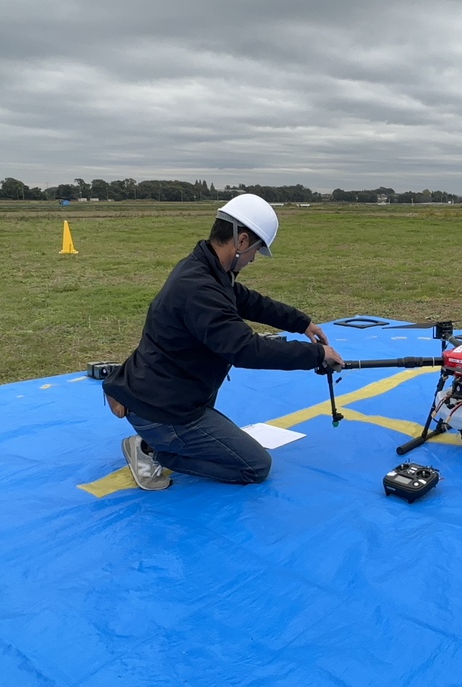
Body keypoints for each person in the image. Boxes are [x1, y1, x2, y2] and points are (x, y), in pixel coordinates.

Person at [102, 193, 344, 491]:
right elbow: (246, 350)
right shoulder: (200, 288)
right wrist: (316, 355)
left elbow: (249, 302)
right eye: (256, 250)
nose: (254, 258)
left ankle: (159, 437)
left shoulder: (207, 270)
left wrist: (301, 322)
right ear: (241, 241)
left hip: (166, 391)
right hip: (164, 408)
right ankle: (153, 450)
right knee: (255, 466)